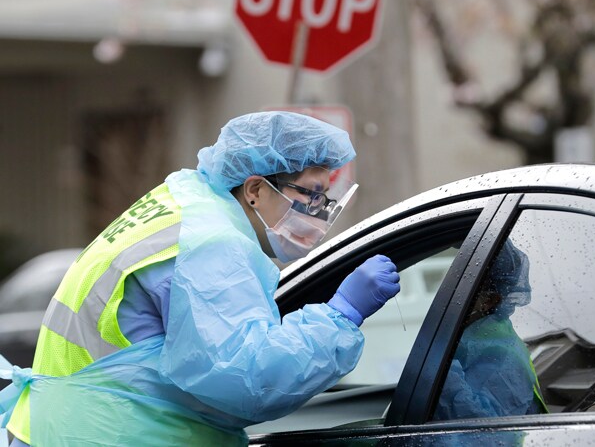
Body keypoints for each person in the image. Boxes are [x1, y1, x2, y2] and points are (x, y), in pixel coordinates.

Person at [0, 111, 400, 446]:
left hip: (67, 427)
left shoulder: (181, 205)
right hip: (116, 435)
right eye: (311, 196)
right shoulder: (211, 243)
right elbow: (246, 379)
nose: (318, 213)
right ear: (256, 189)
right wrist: (339, 316)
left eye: (325, 199)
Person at [434, 239, 547, 420]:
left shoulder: (502, 355)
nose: (450, 293)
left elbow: (483, 427)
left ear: (489, 301)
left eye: (463, 287)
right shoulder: (473, 339)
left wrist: (441, 366)